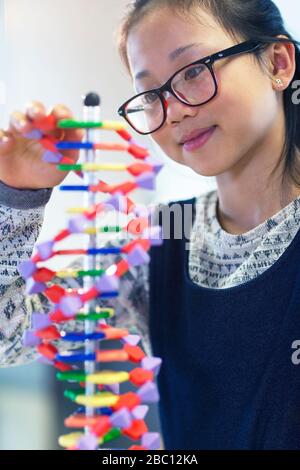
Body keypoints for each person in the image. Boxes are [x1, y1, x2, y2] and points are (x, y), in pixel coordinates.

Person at [1, 0, 300, 449]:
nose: (173, 111)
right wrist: (18, 196)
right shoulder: (155, 243)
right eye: (153, 95)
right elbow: (9, 336)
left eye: (194, 71)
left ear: (278, 63)